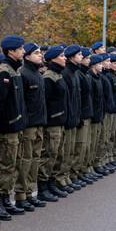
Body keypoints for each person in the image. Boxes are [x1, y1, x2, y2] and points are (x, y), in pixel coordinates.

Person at [0, 35, 27, 219]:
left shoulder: (14, 71)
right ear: (11, 51)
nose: (24, 52)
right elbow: (1, 104)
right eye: (20, 49)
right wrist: (9, 123)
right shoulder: (4, 72)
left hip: (16, 128)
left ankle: (5, 200)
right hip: (8, 129)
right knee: (4, 166)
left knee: (12, 166)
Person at [14, 42, 47, 209]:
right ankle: (20, 194)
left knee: (35, 159)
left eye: (40, 53)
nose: (40, 55)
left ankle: (29, 192)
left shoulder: (39, 75)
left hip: (39, 123)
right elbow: (21, 102)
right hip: (28, 126)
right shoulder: (23, 74)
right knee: (25, 160)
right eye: (36, 53)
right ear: (27, 56)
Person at [37, 45, 69, 202]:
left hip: (60, 121)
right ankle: (43, 187)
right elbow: (45, 102)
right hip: (52, 123)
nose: (65, 58)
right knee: (49, 154)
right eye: (62, 56)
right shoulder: (49, 76)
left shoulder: (58, 74)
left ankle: (52, 183)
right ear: (54, 58)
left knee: (58, 155)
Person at [56, 44, 84, 194]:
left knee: (72, 150)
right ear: (73, 57)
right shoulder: (66, 73)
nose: (82, 57)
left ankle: (67, 176)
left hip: (74, 117)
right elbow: (65, 99)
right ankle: (61, 178)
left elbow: (76, 98)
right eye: (79, 55)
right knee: (65, 151)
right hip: (68, 118)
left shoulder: (75, 73)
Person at [75, 47, 97, 184]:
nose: (89, 60)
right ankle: (75, 173)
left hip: (87, 113)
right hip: (81, 115)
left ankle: (82, 170)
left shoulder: (84, 74)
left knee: (86, 146)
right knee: (79, 147)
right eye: (87, 58)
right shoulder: (78, 74)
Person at [87, 55, 105, 179]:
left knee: (96, 142)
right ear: (93, 65)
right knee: (90, 143)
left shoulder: (97, 78)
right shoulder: (90, 78)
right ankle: (88, 167)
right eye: (99, 64)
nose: (102, 66)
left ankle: (92, 165)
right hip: (93, 115)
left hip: (99, 114)